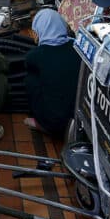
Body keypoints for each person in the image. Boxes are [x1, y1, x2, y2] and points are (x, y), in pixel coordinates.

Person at [24, 9, 80, 137]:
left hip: (53, 123)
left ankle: (41, 123)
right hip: (78, 119)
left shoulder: (34, 56)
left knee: (30, 80)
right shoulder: (76, 46)